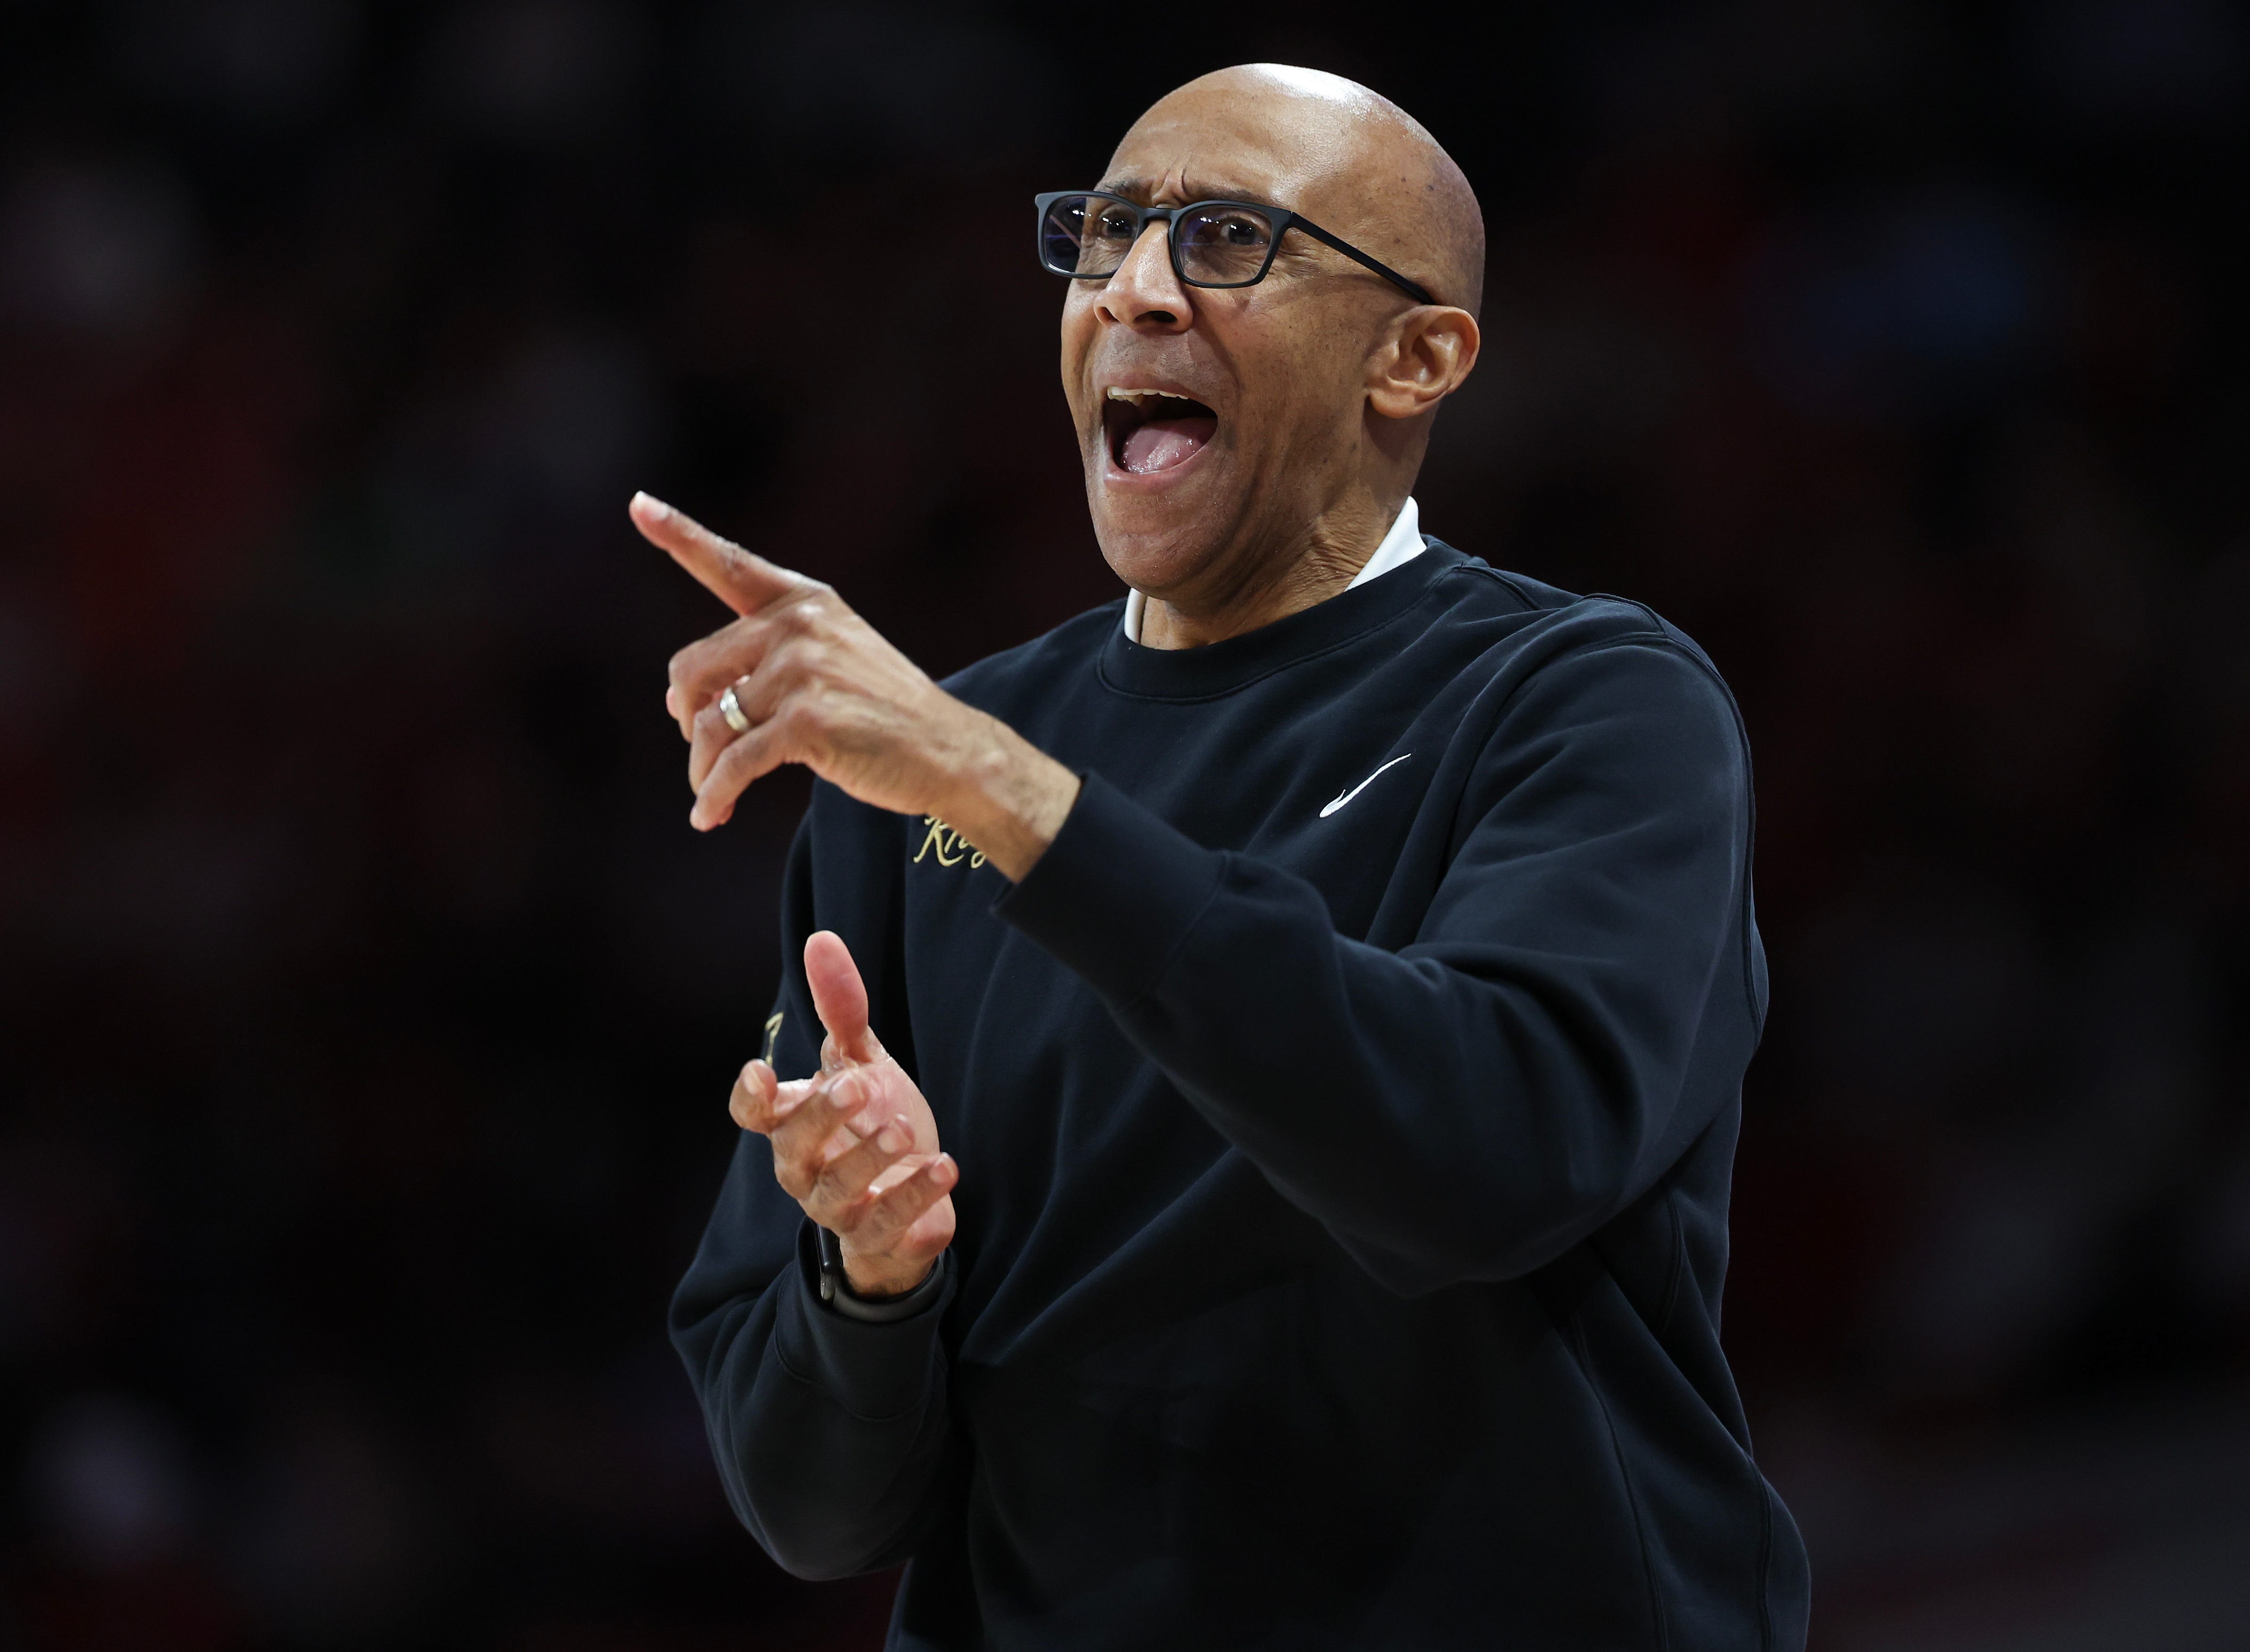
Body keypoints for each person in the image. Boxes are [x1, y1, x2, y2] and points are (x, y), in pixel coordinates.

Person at [649, 63, 1809, 1652]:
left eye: (1226, 239)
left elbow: (1478, 1157)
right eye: (1107, 235)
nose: (1132, 289)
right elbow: (814, 1513)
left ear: (1416, 356)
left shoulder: (1587, 703)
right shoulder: (908, 777)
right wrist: (873, 1277)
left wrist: (999, 790)